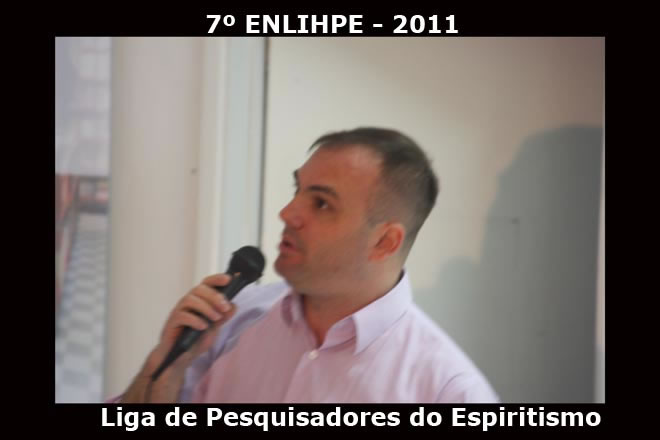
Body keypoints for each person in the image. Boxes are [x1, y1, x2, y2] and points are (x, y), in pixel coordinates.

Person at [116, 127, 499, 403]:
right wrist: (164, 369)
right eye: (297, 190)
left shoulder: (448, 390)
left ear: (385, 241)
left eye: (321, 203)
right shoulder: (233, 318)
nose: (287, 213)